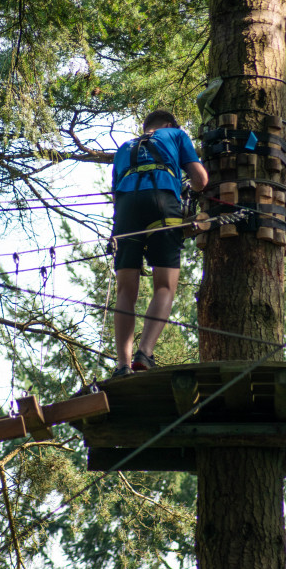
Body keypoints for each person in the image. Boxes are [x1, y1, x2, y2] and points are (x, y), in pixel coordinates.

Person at [110, 110, 209, 377]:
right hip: (161, 202)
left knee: (125, 292)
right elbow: (200, 180)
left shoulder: (123, 148)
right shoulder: (176, 134)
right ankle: (145, 352)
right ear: (168, 125)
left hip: (126, 210)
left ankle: (122, 365)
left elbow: (115, 191)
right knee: (165, 285)